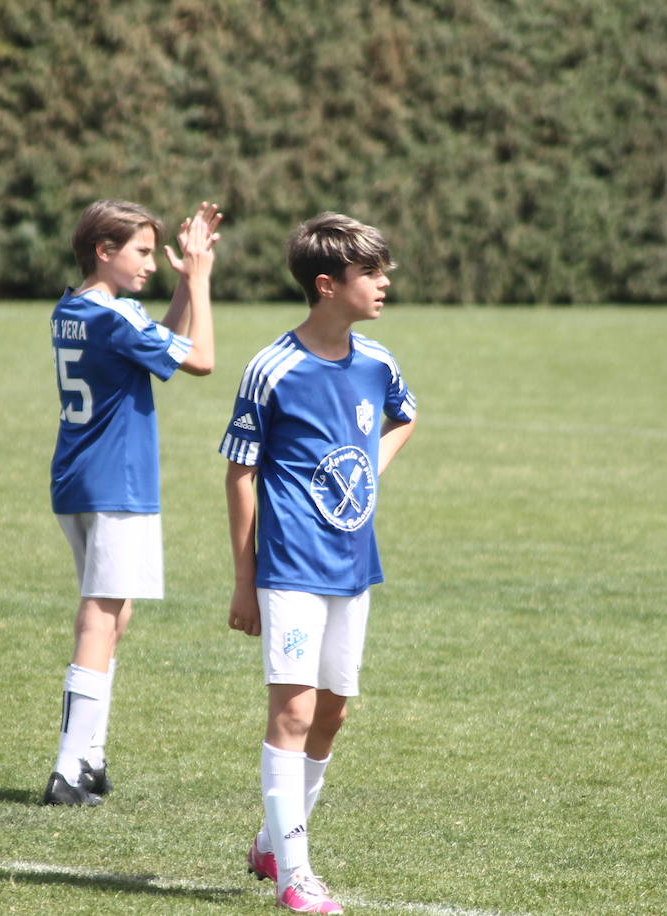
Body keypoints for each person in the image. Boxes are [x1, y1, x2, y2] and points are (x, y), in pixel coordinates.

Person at [220, 212, 417, 913]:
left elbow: (405, 416)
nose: (384, 283)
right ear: (329, 286)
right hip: (291, 567)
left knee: (331, 714)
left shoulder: (378, 362)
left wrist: (369, 469)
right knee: (293, 713)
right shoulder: (273, 368)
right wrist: (245, 581)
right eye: (372, 273)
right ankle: (294, 877)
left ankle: (274, 841)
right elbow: (239, 472)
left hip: (354, 565)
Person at [42, 199, 221, 806]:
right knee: (100, 615)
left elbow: (157, 339)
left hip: (77, 480)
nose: (151, 262)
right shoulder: (115, 320)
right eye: (141, 251)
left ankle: (89, 754)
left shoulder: (75, 310)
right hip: (116, 482)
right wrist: (198, 282)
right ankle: (69, 767)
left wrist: (176, 289)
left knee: (116, 615)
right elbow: (201, 359)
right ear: (103, 250)